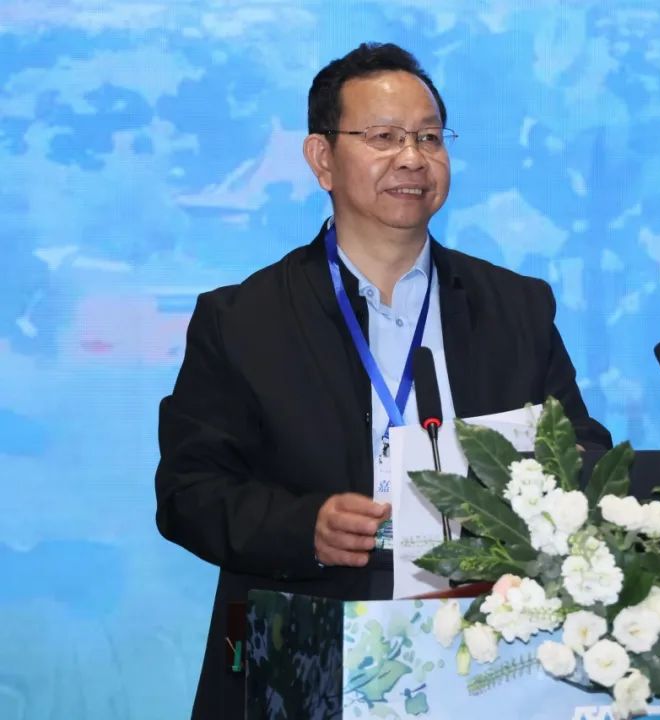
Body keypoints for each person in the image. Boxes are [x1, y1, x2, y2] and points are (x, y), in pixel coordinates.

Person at [155, 42, 611, 718]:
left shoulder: (516, 306)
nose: (413, 158)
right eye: (384, 137)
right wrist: (305, 527)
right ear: (322, 159)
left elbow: (581, 455)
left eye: (429, 138)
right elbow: (188, 493)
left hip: (492, 660)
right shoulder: (243, 319)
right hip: (309, 655)